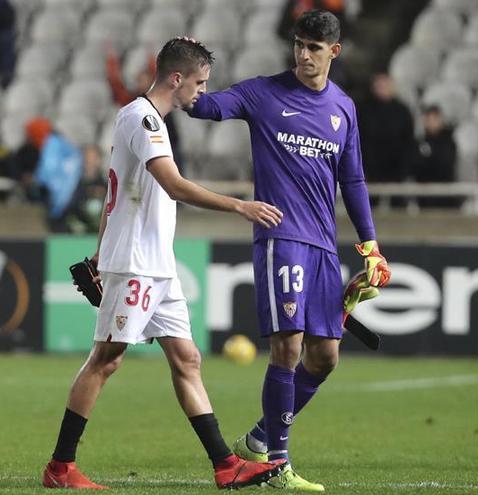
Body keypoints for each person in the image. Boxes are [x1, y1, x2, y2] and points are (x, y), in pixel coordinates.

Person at [41, 37, 287, 490]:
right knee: (105, 360)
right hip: (137, 263)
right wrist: (240, 206)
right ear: (177, 78)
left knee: (187, 359)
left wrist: (99, 251)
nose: (202, 91)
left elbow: (118, 193)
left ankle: (225, 465)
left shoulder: (138, 117)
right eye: (199, 82)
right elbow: (172, 185)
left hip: (155, 264)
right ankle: (60, 468)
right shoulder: (145, 119)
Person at [188, 10, 391, 491]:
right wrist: (183, 83)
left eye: (314, 48)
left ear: (333, 52)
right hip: (282, 237)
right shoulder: (264, 93)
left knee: (324, 357)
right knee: (289, 345)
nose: (303, 54)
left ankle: (260, 439)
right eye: (299, 45)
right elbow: (209, 107)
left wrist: (371, 246)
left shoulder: (343, 107)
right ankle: (276, 466)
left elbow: (353, 179)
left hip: (324, 243)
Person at [411, 105, 459, 209]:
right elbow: (415, 167)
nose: (432, 122)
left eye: (435, 118)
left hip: (446, 198)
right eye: (429, 119)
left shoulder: (449, 142)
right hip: (424, 198)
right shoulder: (418, 142)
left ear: (441, 120)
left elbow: (446, 166)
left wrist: (428, 158)